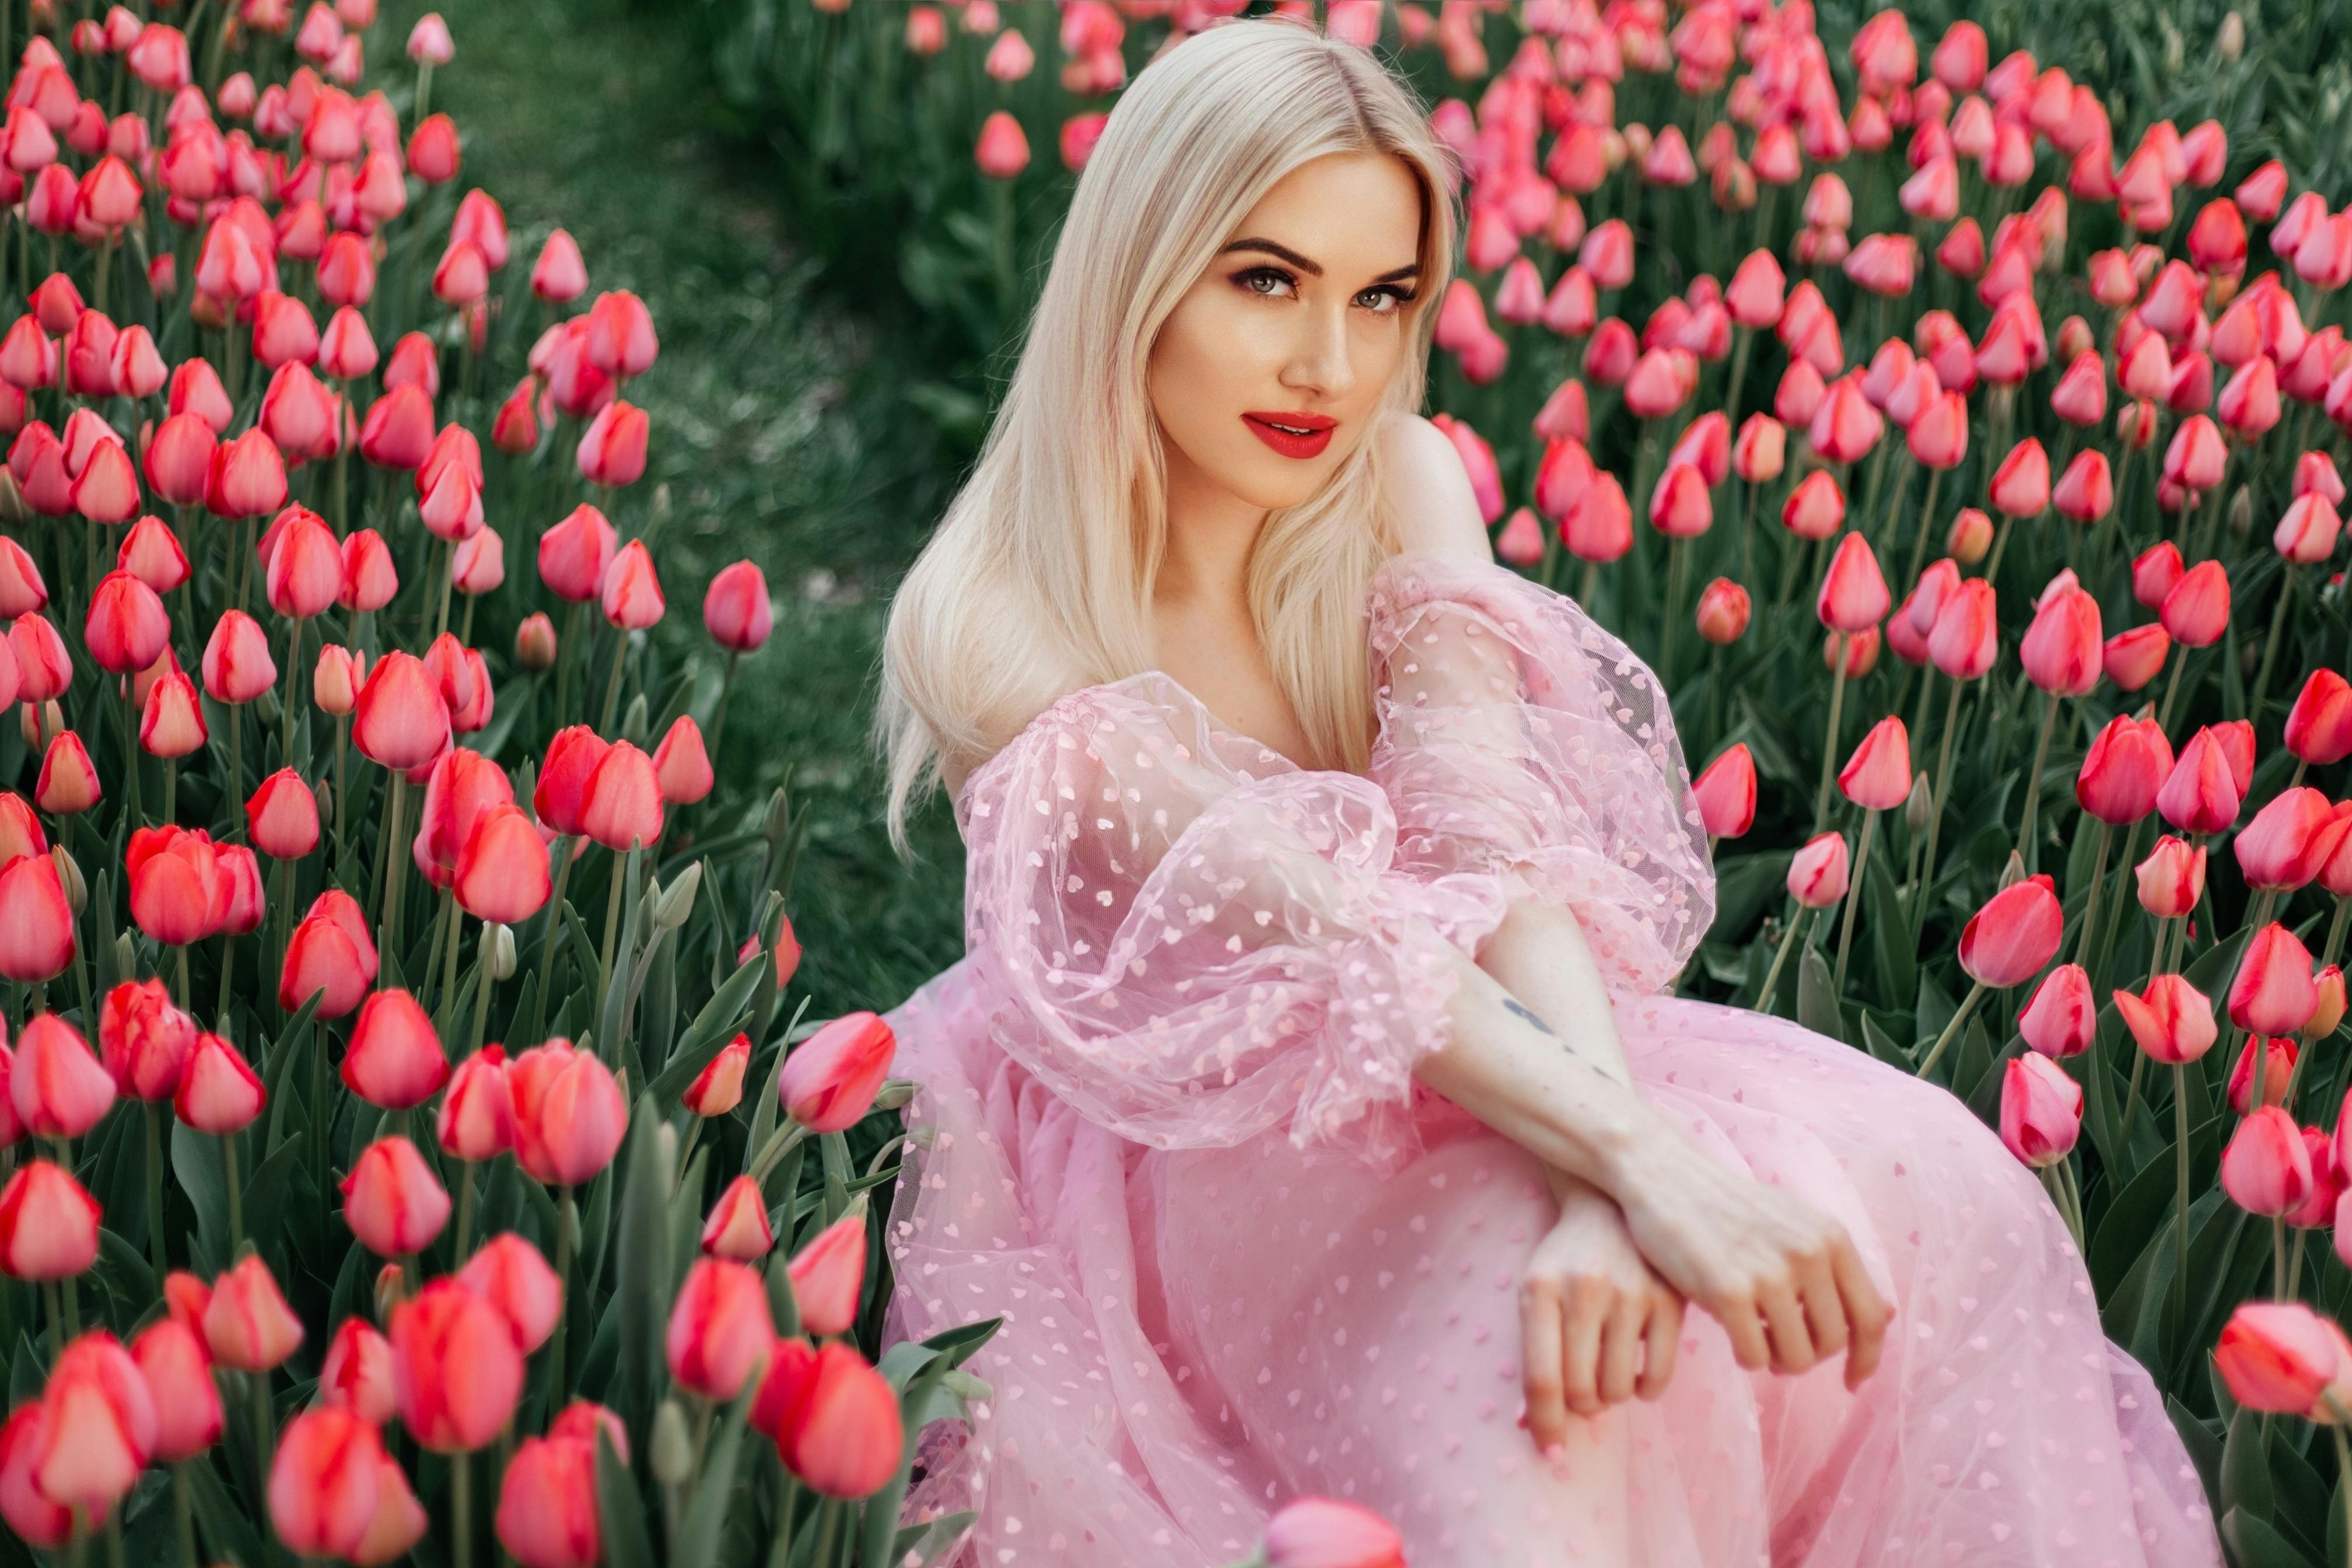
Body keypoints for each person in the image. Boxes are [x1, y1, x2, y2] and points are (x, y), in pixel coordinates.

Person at [870, 18, 2219, 1567]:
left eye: (1380, 297)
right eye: (1267, 280)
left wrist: (1613, 1178)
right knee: (1526, 1373)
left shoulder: (1399, 478)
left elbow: (1484, 847)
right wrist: (1635, 1163)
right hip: (1196, 1128)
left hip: (1490, 1043)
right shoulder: (992, 621)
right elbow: (1328, 949)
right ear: (1137, 274)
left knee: (1942, 1189)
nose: (1332, 364)